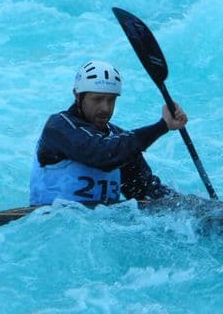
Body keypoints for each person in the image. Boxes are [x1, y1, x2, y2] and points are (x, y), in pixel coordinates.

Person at [29, 60, 188, 206]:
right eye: (97, 99)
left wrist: (192, 207)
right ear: (78, 96)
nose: (105, 108)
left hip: (101, 227)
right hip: (52, 225)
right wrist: (162, 126)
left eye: (111, 100)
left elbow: (145, 190)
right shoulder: (58, 127)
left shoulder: (119, 141)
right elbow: (102, 154)